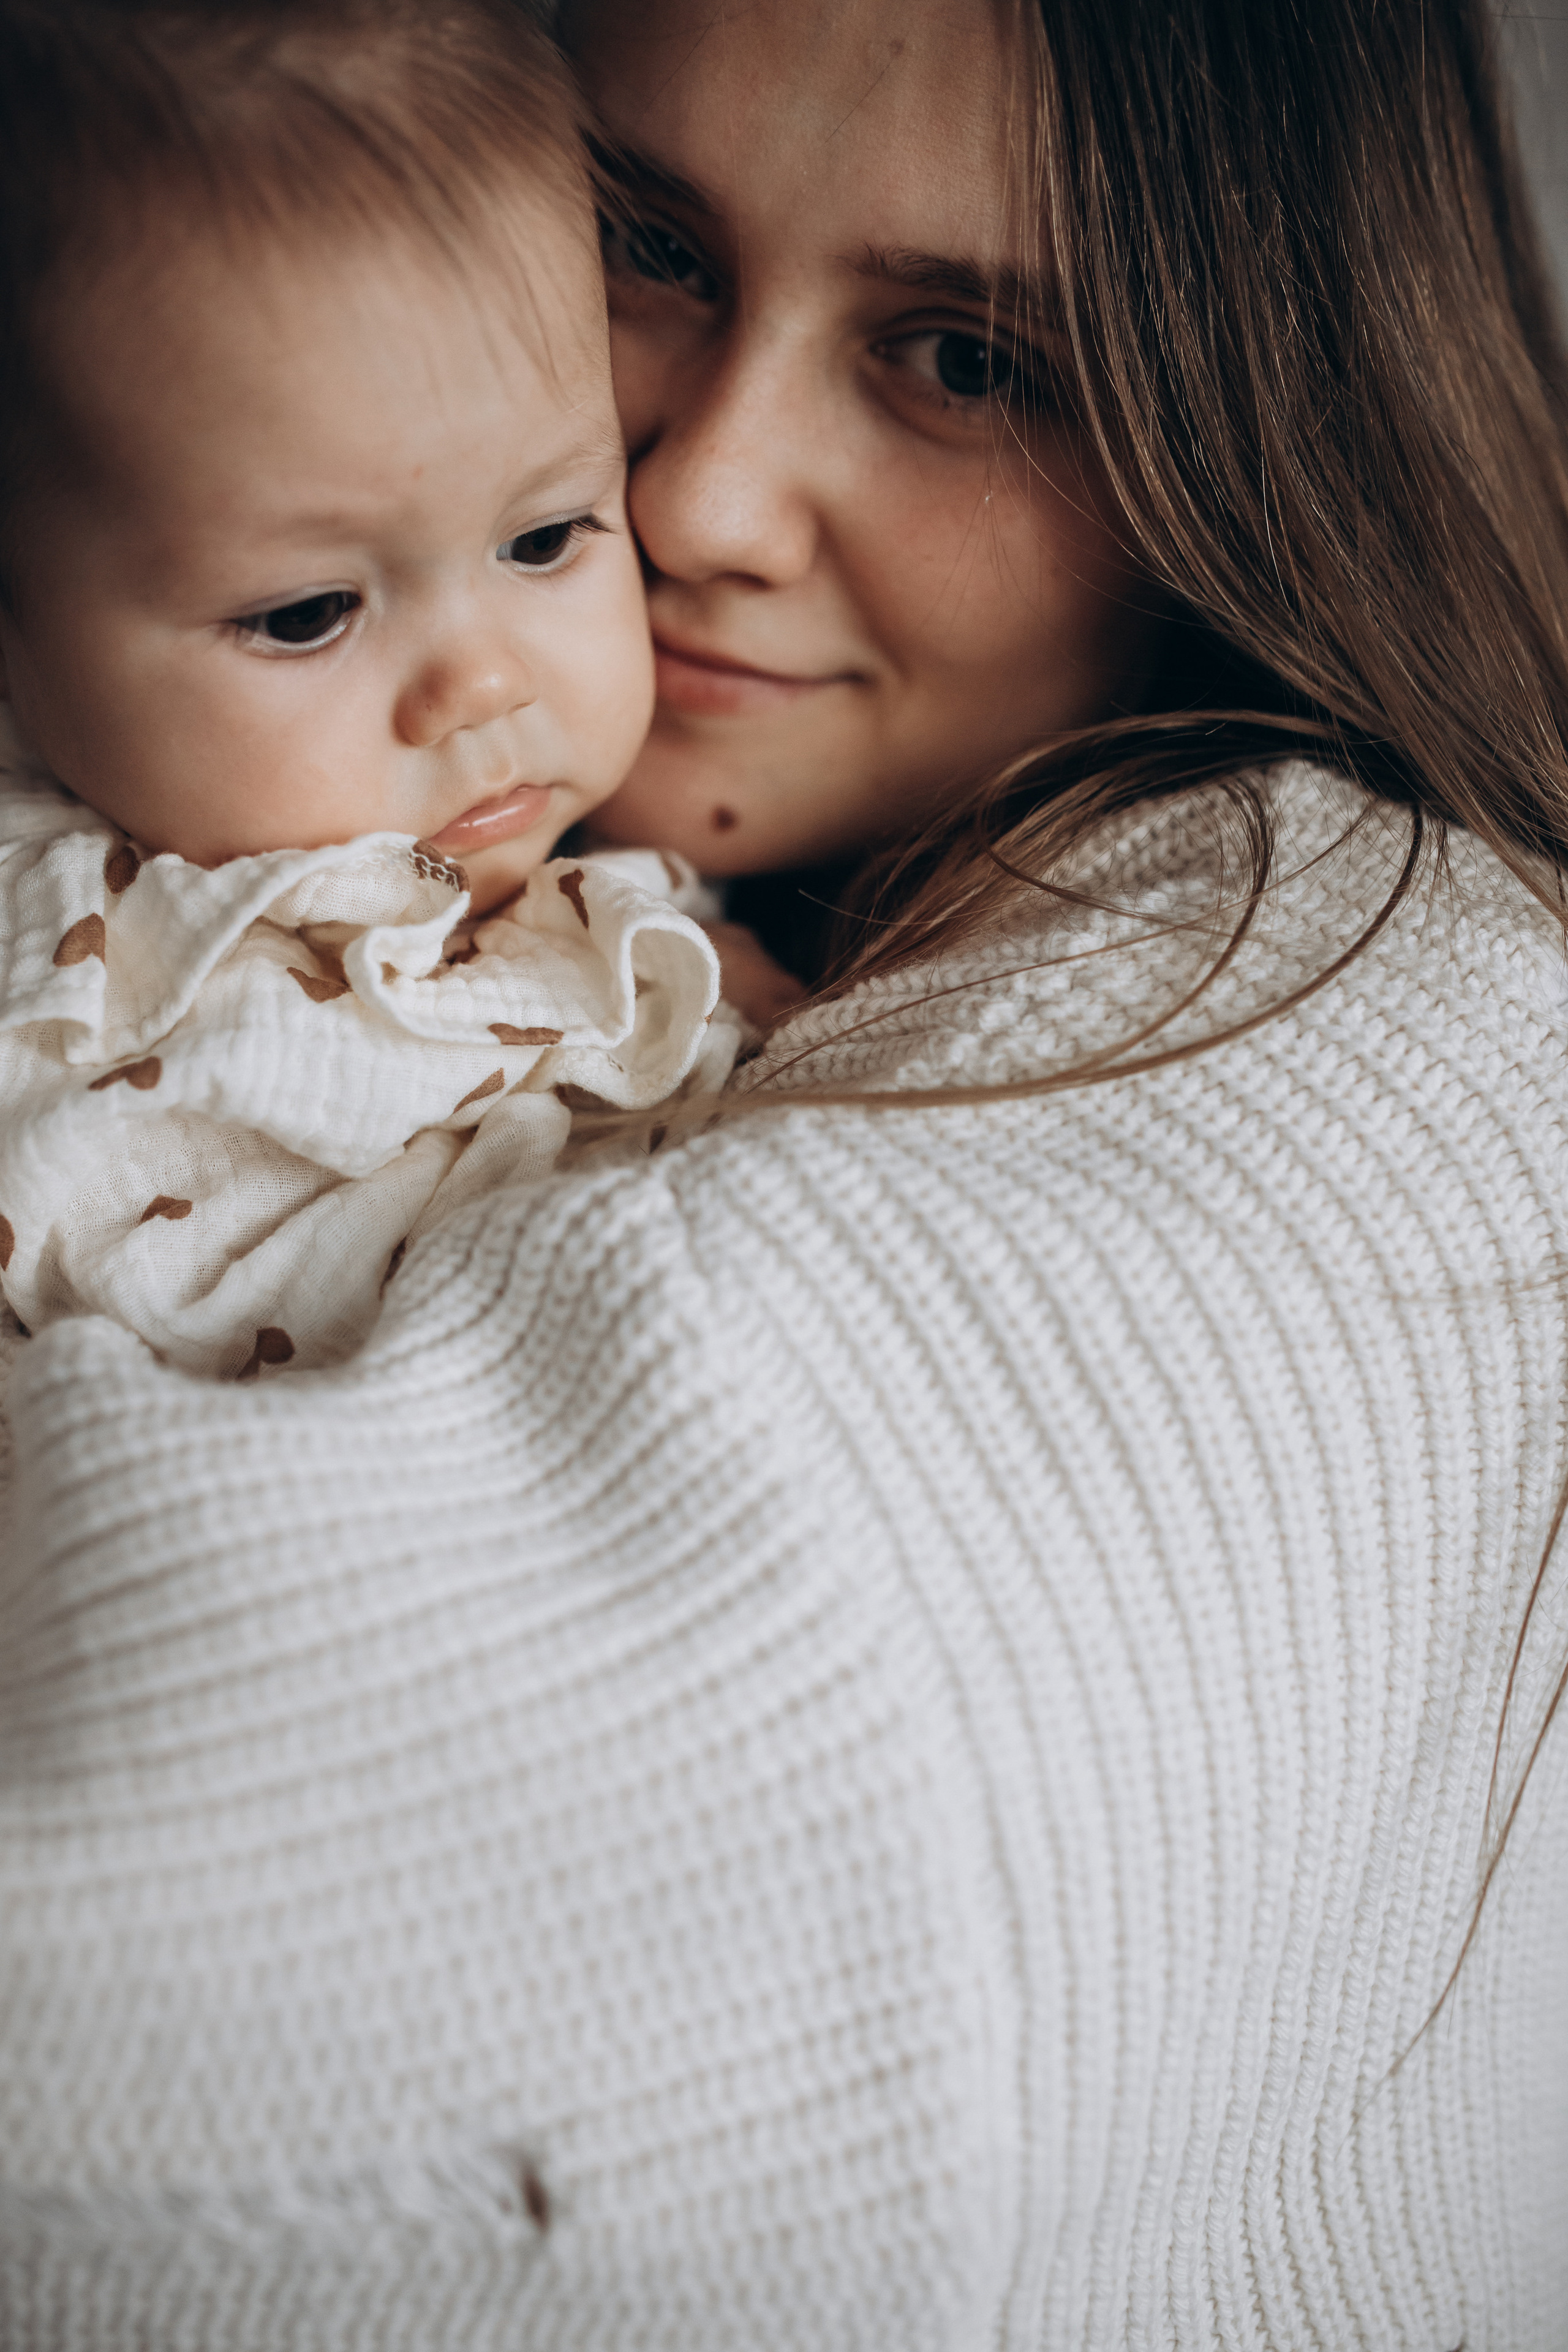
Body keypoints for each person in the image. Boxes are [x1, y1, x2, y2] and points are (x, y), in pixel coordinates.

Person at [1, 0, 1566, 2346]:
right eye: (645, 242)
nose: (699, 501)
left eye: (959, 358)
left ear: (1249, 430)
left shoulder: (1341, 979)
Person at [0, 0, 741, 1383]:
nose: (480, 683)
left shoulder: (450, 876)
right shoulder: (104, 1002)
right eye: (305, 614)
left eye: (542, 540)